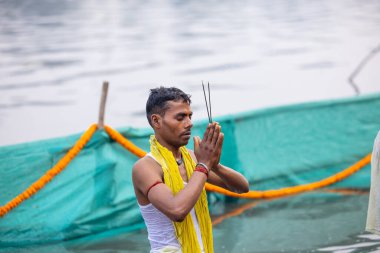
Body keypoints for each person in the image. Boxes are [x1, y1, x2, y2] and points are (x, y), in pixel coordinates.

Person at [132, 87, 250, 253]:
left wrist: (214, 165)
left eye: (190, 116)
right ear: (156, 121)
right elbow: (177, 210)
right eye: (180, 118)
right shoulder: (145, 167)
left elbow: (242, 187)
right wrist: (203, 166)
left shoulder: (193, 159)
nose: (189, 123)